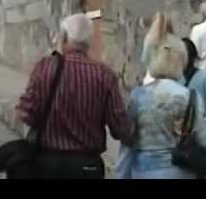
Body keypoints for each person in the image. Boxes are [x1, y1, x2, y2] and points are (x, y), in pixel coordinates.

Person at [16, 13, 133, 179]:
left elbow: (26, 113)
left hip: (47, 164)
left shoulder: (44, 68)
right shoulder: (105, 75)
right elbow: (120, 128)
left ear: (64, 38)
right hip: (87, 167)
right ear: (88, 43)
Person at [120, 13, 206, 179]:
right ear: (181, 61)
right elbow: (205, 140)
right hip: (179, 171)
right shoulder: (189, 96)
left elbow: (127, 140)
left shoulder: (138, 95)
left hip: (142, 171)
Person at [182, 38, 206, 141]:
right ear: (195, 57)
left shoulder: (172, 78)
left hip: (178, 134)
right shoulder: (205, 76)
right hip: (201, 131)